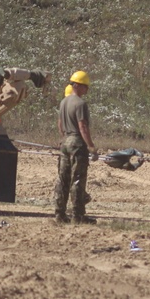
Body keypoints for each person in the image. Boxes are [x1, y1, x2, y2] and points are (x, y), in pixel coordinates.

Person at [53, 70, 98, 224]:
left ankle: (59, 214)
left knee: (63, 179)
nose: (87, 89)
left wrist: (64, 138)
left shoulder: (63, 102)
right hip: (77, 143)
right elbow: (82, 126)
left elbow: (60, 124)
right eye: (85, 86)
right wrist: (91, 146)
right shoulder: (80, 104)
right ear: (77, 85)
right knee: (77, 179)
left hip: (65, 141)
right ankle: (78, 216)